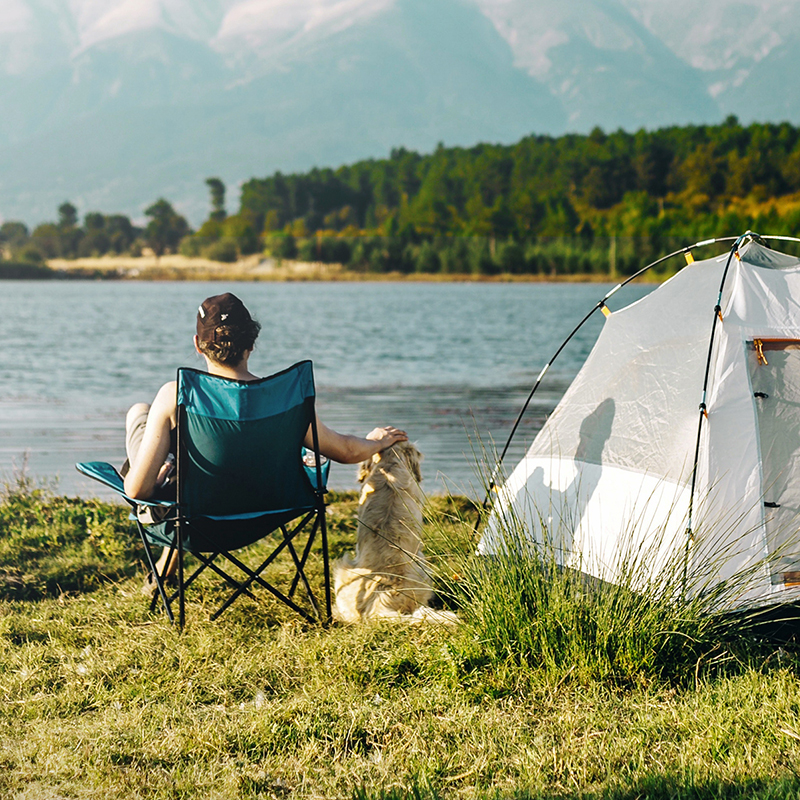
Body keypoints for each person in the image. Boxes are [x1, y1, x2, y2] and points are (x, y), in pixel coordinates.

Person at [123, 292, 408, 589]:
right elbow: (347, 450)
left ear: (198, 345)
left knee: (140, 413)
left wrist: (154, 479)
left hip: (194, 522)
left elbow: (137, 489)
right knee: (196, 464)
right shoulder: (285, 397)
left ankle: (167, 468)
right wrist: (376, 441)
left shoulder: (177, 394)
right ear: (252, 344)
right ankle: (164, 565)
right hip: (265, 518)